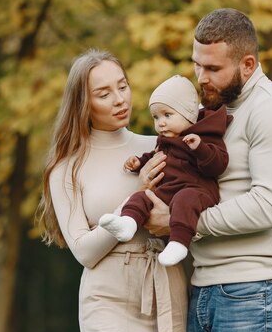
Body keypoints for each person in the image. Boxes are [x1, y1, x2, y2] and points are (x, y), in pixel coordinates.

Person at [141, 8, 272, 332]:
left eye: (213, 69)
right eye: (196, 65)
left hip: (255, 289)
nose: (201, 78)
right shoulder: (207, 113)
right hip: (202, 286)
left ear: (248, 64)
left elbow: (268, 206)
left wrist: (179, 223)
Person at [37, 48, 188, 332]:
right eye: (104, 94)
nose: (119, 99)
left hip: (167, 292)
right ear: (83, 104)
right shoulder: (67, 168)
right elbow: (84, 252)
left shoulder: (160, 147)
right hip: (108, 302)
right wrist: (133, 197)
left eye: (122, 86)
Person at [98, 74, 230, 267]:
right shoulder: (165, 139)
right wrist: (139, 162)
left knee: (185, 200)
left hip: (196, 191)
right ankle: (127, 222)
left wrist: (200, 148)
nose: (160, 123)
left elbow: (218, 164)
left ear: (188, 114)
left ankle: (178, 243)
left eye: (167, 115)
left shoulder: (204, 136)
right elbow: (155, 155)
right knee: (141, 196)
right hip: (168, 191)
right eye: (156, 117)